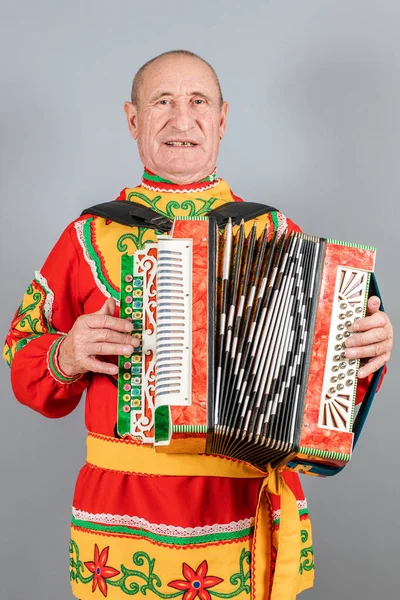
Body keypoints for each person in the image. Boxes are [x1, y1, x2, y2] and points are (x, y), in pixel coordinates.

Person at [3, 50, 393, 600]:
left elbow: (321, 389)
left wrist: (365, 349)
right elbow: (23, 363)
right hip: (122, 521)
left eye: (198, 102)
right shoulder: (86, 237)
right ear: (133, 120)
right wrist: (64, 355)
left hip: (244, 518)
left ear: (222, 119)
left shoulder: (276, 233)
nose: (181, 119)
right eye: (162, 102)